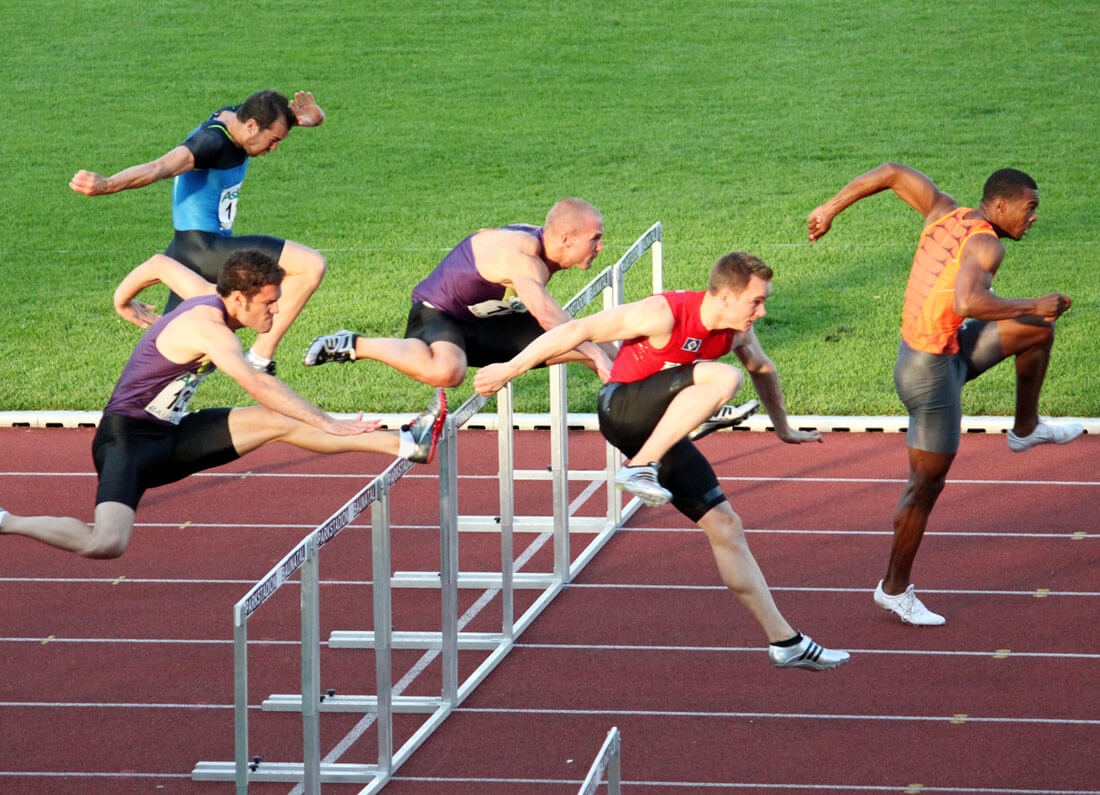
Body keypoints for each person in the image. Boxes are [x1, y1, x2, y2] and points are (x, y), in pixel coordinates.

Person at [475, 252, 849, 671]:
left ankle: (786, 641)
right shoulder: (663, 313)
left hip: (656, 434)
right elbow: (577, 329)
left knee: (726, 525)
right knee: (725, 378)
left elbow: (764, 368)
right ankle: (643, 465)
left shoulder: (735, 334)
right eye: (755, 302)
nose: (762, 312)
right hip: (621, 408)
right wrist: (509, 369)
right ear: (725, 297)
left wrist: (783, 428)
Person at [0, 251, 445, 559]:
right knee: (106, 544)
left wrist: (122, 301)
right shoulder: (210, 326)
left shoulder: (207, 293)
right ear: (238, 299)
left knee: (276, 421)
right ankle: (8, 521)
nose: (275, 313)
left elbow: (157, 264)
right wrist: (330, 423)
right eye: (269, 304)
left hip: (175, 434)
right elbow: (253, 380)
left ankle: (407, 444)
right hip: (127, 442)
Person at [807, 162, 1083, 626]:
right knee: (924, 487)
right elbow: (968, 303)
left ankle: (1026, 428)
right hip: (929, 376)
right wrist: (1034, 302)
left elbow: (893, 172)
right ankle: (894, 589)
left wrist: (830, 207)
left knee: (1037, 332)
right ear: (999, 206)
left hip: (947, 352)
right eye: (1029, 208)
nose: (1033, 217)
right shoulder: (987, 244)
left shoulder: (944, 211)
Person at [69, 90, 328, 374]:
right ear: (252, 126)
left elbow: (277, 117)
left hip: (190, 251)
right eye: (274, 140)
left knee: (180, 362)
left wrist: (311, 120)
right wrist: (107, 184)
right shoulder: (210, 144)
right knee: (310, 265)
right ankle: (260, 356)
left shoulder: (242, 117)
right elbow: (159, 167)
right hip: (203, 250)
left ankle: (138, 411)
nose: (274, 148)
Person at [303, 198, 614, 386]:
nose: (600, 247)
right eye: (594, 239)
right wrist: (595, 355)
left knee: (600, 345)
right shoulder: (524, 256)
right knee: (449, 371)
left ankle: (641, 408)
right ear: (567, 239)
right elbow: (546, 315)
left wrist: (598, 352)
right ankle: (352, 343)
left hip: (487, 323)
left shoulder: (547, 242)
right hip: (439, 314)